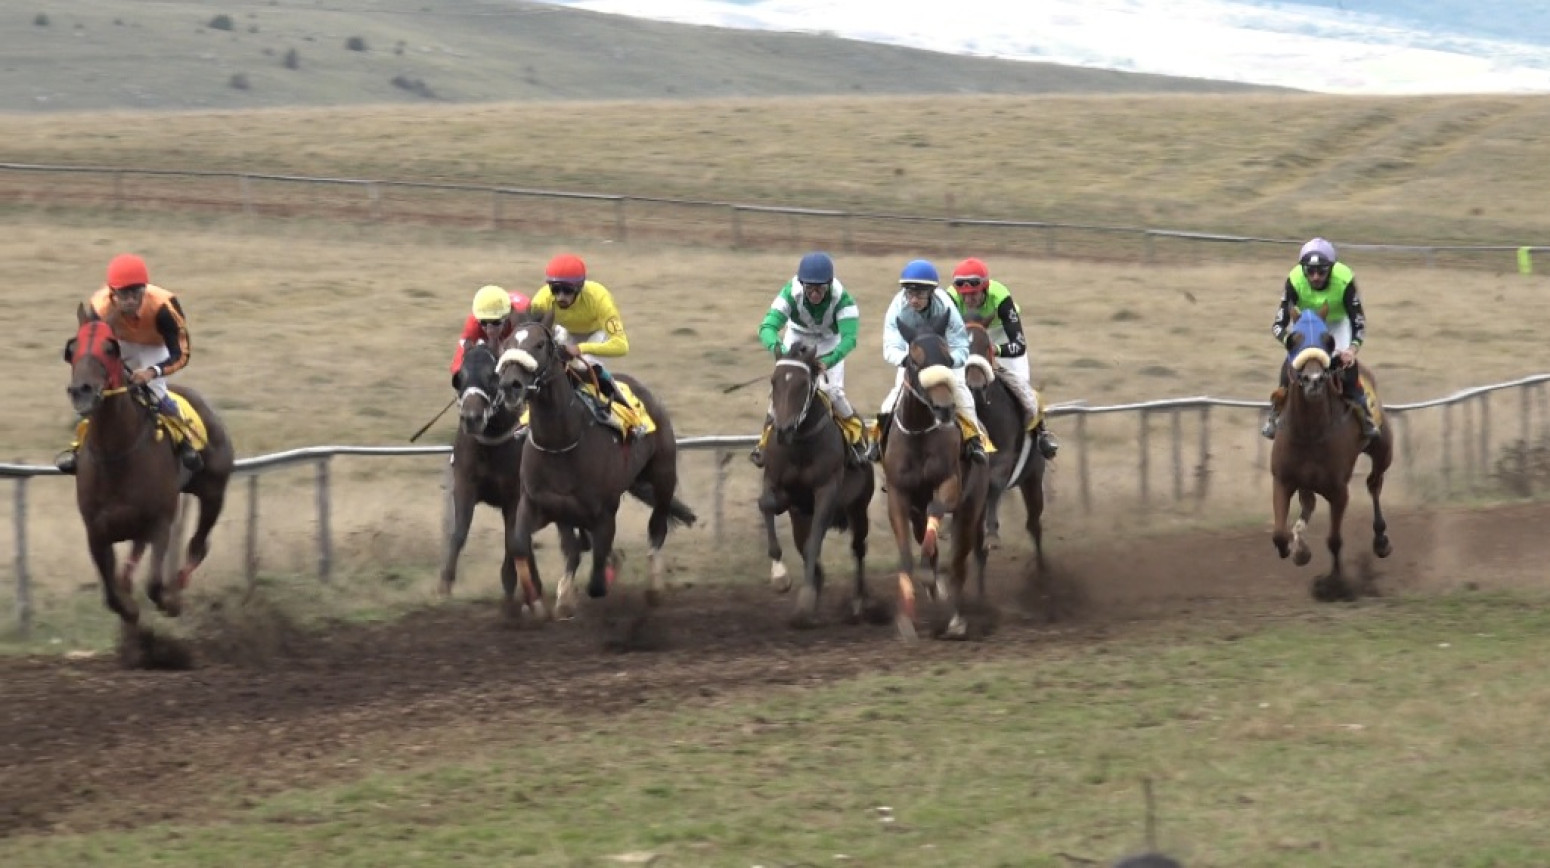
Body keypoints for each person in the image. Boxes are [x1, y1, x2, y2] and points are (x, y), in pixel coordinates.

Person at [57, 253, 206, 474]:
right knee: (100, 391)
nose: (130, 300)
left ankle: (184, 439)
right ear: (112, 292)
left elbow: (182, 353)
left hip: (154, 346)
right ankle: (79, 447)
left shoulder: (164, 307)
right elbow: (92, 347)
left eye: (136, 293)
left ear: (145, 289)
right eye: (124, 294)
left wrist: (151, 372)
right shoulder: (99, 307)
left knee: (155, 392)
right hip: (118, 343)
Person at [749, 251, 867, 468]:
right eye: (810, 287)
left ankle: (856, 437)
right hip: (798, 335)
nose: (814, 293)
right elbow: (767, 327)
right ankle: (764, 442)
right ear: (801, 284)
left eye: (820, 288)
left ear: (829, 284)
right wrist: (781, 351)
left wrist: (828, 361)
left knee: (831, 391)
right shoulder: (789, 293)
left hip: (830, 341)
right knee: (784, 387)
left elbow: (849, 339)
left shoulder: (844, 301)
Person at [873, 259, 989, 464]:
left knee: (963, 395)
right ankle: (876, 442)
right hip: (913, 358)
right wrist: (907, 360)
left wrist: (950, 360)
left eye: (919, 294)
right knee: (890, 401)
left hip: (942, 357)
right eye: (909, 293)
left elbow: (961, 343)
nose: (913, 300)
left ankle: (975, 442)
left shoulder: (945, 305)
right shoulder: (897, 307)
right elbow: (890, 347)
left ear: (932, 292)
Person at [1264, 237, 1379, 443]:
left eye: (1322, 271)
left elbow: (1358, 322)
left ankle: (1363, 411)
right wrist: (1290, 341)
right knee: (1291, 362)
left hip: (1337, 322)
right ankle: (1275, 411)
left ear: (1331, 269)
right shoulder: (1294, 279)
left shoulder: (1344, 279)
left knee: (1346, 364)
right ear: (1303, 270)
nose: (1315, 277)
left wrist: (1351, 350)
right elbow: (1278, 325)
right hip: (1306, 325)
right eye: (1310, 271)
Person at [946, 257, 1059, 460]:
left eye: (973, 294)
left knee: (1021, 384)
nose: (968, 300)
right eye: (964, 295)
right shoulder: (949, 298)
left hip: (1000, 335)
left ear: (985, 288)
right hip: (966, 337)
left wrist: (993, 350)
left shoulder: (1000, 296)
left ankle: (1041, 433)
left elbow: (1019, 344)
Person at [527, 253, 642, 434]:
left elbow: (621, 346)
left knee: (581, 365)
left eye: (567, 290)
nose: (560, 297)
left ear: (580, 287)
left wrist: (580, 348)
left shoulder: (599, 299)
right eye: (555, 289)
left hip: (597, 332)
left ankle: (626, 414)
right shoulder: (541, 300)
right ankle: (529, 418)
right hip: (567, 331)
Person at [451, 284, 532, 386]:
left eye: (496, 322)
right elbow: (459, 359)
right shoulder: (474, 321)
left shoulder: (520, 320)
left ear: (507, 316)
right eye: (484, 323)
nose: (490, 330)